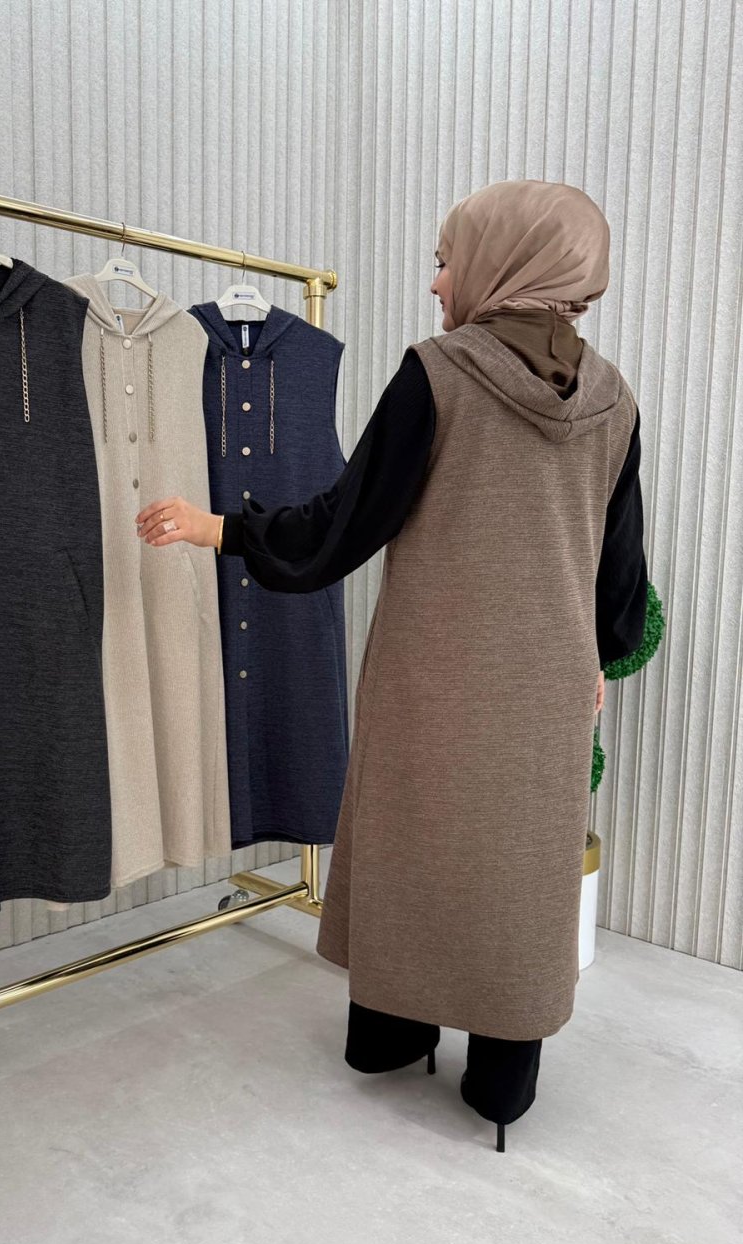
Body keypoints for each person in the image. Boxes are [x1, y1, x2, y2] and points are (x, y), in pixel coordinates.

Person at [134, 180, 649, 1152]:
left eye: (446, 260)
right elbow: (619, 575)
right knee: (517, 869)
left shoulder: (438, 374)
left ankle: (392, 1037)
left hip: (433, 676)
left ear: (501, 263)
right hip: (545, 687)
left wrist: (221, 528)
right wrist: (595, 657)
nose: (435, 282)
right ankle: (501, 1083)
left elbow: (343, 523)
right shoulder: (613, 399)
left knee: (416, 844)